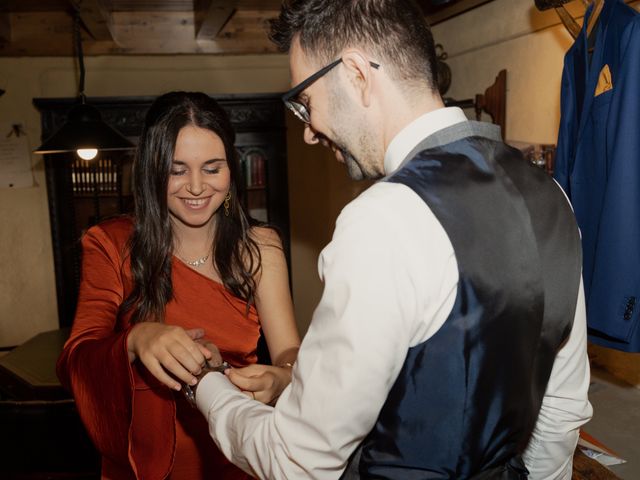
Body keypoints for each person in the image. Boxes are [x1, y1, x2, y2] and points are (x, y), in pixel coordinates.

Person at [194, 1, 593, 479]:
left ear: (357, 74)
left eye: (306, 100)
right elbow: (559, 413)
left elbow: (296, 461)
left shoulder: (382, 220)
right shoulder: (551, 196)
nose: (308, 130)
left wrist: (207, 387)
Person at [56, 91, 300, 480]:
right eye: (178, 169)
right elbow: (76, 361)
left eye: (212, 168)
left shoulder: (262, 247)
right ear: (152, 170)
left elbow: (290, 351)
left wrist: (283, 376)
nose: (198, 186)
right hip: (144, 460)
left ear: (231, 171)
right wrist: (136, 339)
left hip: (237, 449)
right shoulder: (110, 244)